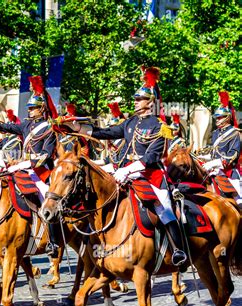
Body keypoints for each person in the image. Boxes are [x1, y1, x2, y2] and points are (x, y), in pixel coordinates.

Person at [62, 67, 187, 267]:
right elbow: (105, 133)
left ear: (150, 102)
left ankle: (179, 249)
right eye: (135, 99)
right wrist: (76, 128)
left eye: (139, 99)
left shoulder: (160, 125)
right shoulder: (131, 122)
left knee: (164, 209)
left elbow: (152, 156)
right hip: (127, 174)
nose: (135, 102)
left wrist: (127, 169)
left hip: (151, 176)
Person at [0, 76, 60, 257]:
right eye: (29, 108)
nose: (30, 110)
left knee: (46, 198)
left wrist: (25, 163)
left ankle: (52, 241)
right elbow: (8, 128)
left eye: (33, 108)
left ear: (42, 109)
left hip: (40, 171)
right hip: (22, 168)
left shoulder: (49, 129)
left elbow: (45, 155)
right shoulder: (27, 125)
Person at [199, 91, 241, 205]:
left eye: (219, 117)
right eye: (216, 118)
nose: (217, 120)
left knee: (239, 199)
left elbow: (232, 156)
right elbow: (214, 153)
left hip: (229, 172)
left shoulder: (234, 134)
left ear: (227, 118)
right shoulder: (216, 133)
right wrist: (203, 157)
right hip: (215, 171)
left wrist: (213, 163)